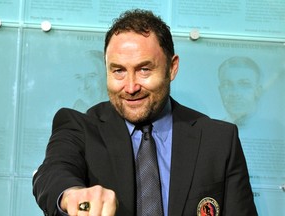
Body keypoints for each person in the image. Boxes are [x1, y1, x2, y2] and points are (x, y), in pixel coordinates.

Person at [33, 9, 257, 216]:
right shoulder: (78, 127)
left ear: (172, 68)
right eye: (119, 71)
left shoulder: (218, 140)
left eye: (144, 70)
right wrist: (73, 195)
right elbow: (52, 173)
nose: (130, 87)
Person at [218, 56, 262, 127]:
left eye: (244, 84)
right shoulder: (210, 131)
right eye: (227, 85)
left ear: (258, 91)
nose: (235, 93)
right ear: (220, 91)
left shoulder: (274, 129)